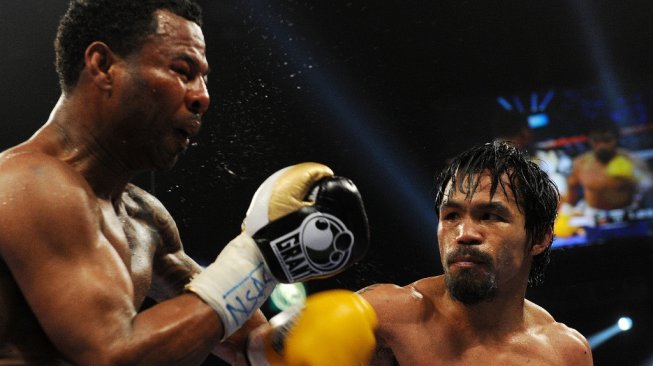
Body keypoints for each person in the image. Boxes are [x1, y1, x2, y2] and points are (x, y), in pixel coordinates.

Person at [0, 1, 370, 365]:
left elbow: (242, 339)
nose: (202, 96)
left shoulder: (144, 219)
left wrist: (290, 342)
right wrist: (262, 258)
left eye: (204, 78)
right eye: (182, 70)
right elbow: (111, 356)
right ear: (103, 65)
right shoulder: (30, 184)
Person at [245, 141, 593, 366]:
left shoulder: (565, 354)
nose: (464, 234)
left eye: (490, 216)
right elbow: (255, 351)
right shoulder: (385, 315)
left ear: (540, 238)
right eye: (451, 215)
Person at [564, 118, 652, 212]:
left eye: (607, 140)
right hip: (593, 220)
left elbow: (649, 186)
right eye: (596, 141)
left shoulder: (632, 160)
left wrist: (636, 176)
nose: (602, 146)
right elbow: (571, 196)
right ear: (589, 141)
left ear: (616, 139)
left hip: (628, 216)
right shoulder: (581, 164)